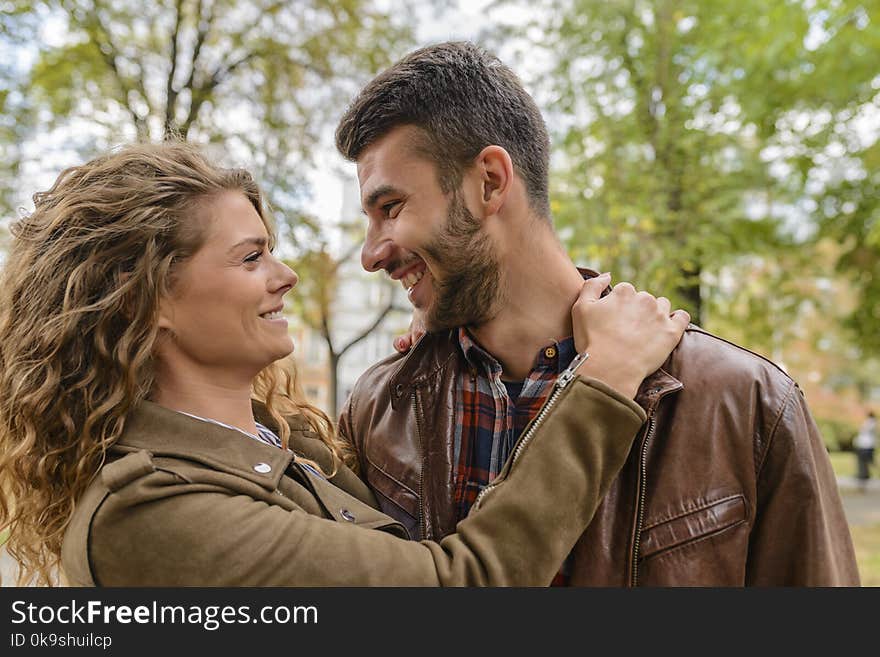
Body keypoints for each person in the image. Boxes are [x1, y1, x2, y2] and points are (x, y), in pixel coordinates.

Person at [0, 141, 689, 586]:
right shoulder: (148, 515)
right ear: (150, 300)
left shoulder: (276, 443)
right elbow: (466, 583)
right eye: (251, 257)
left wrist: (444, 309)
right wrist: (603, 380)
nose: (287, 274)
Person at [334, 41, 860, 586]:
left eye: (390, 209)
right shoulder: (378, 412)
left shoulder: (748, 404)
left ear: (489, 181)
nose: (371, 254)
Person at [854, 410, 876, 491]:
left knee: (863, 465)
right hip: (866, 446)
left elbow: (863, 430)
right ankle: (863, 481)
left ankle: (863, 481)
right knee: (866, 465)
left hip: (864, 446)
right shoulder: (871, 423)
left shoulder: (870, 423)